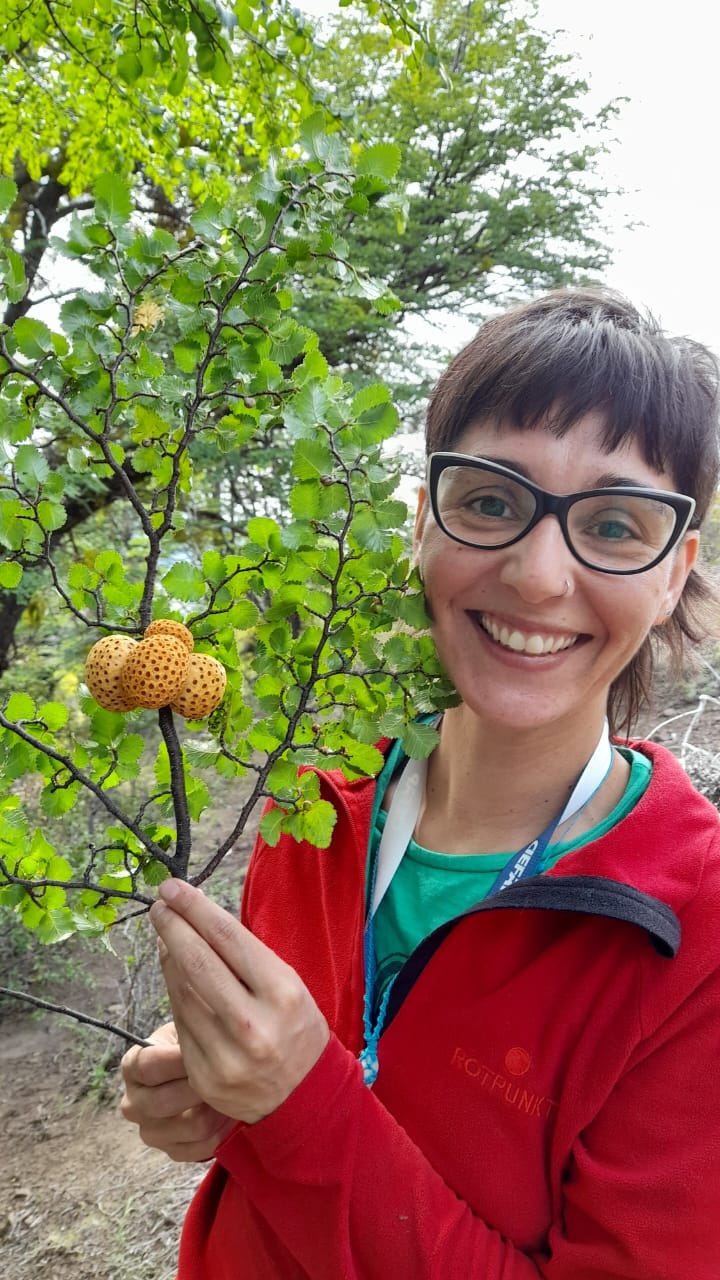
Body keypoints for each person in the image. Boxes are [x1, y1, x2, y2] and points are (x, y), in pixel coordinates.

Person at [120, 288, 720, 1279]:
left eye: (614, 523)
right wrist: (213, 1092)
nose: (536, 574)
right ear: (423, 522)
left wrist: (300, 1103)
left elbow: (314, 1109)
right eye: (490, 499)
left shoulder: (693, 935)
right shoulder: (316, 804)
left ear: (673, 573)